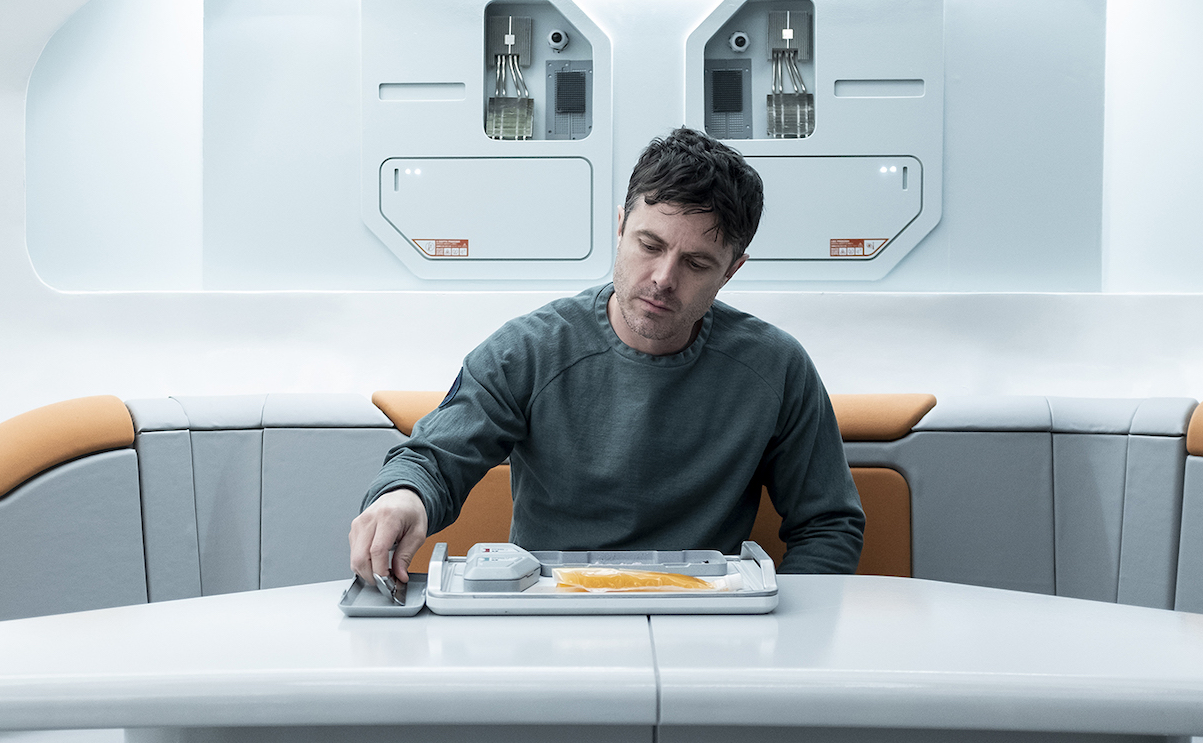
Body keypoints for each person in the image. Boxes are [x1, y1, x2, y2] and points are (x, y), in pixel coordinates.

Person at [349, 127, 864, 583]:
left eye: (697, 262)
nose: (663, 278)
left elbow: (828, 524)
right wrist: (403, 498)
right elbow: (434, 460)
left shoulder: (776, 367)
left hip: (708, 618)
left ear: (731, 271)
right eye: (649, 244)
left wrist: (780, 630)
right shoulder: (529, 350)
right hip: (550, 612)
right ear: (620, 226)